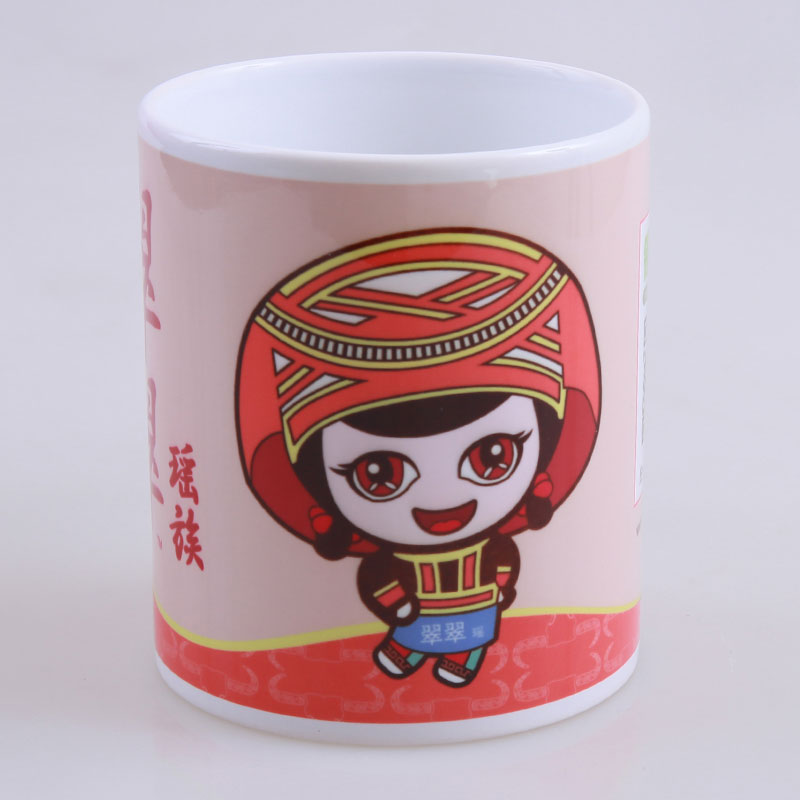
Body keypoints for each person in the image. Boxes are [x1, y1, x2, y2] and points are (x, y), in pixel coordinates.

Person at [236, 228, 600, 687]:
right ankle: (405, 649)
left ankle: (457, 657)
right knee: (408, 638)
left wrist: (502, 586)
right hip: (415, 620)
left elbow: (504, 561)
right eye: (379, 475)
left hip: (474, 613)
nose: (441, 497)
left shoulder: (489, 547)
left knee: (469, 641)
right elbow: (380, 579)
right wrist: (399, 604)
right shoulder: (392, 559)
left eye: (492, 457)